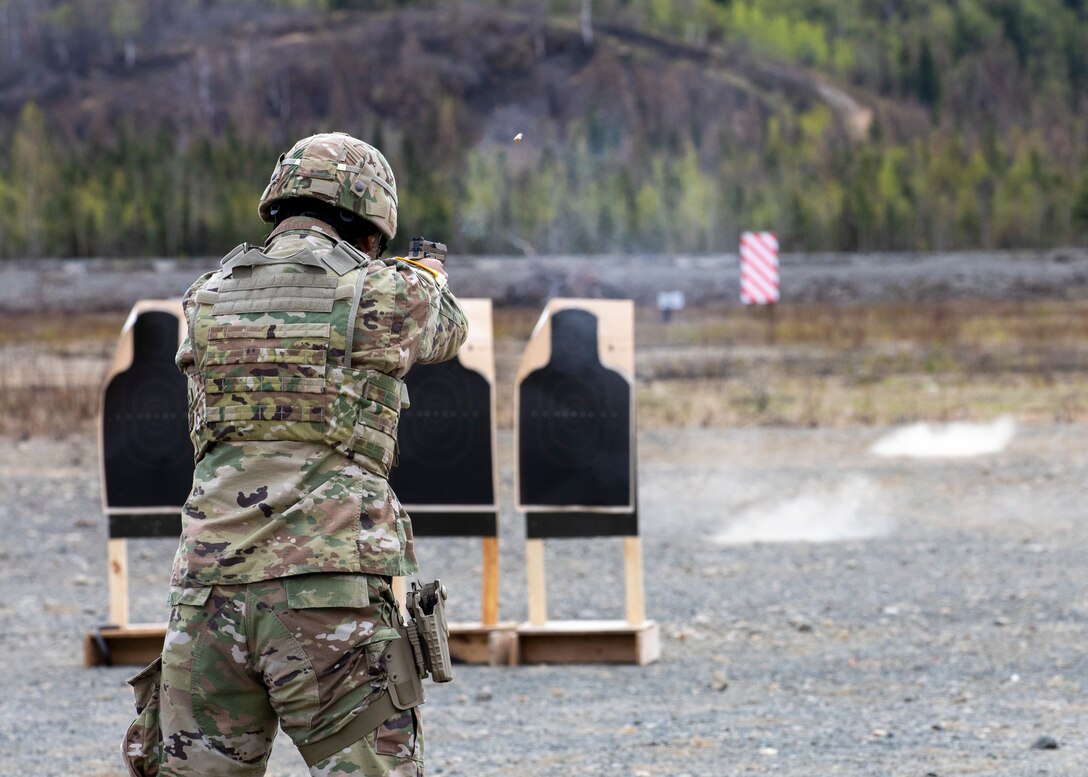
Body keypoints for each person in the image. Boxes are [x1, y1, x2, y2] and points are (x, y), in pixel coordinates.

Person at [122, 132, 468, 777]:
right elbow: (446, 327)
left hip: (207, 588)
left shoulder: (206, 295)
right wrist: (421, 274)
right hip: (329, 584)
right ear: (370, 219)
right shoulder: (388, 292)